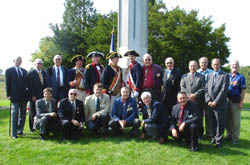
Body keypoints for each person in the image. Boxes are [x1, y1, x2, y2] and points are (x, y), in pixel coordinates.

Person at [205, 58, 229, 148]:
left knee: (220, 123)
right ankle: (214, 138)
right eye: (214, 64)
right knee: (213, 122)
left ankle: (219, 141)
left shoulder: (225, 75)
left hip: (220, 104)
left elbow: (223, 91)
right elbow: (206, 89)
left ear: (220, 65)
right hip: (210, 104)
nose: (215, 66)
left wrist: (216, 101)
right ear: (211, 65)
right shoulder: (209, 75)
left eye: (217, 64)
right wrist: (208, 101)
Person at [5, 56, 29, 139]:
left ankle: (20, 131)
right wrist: (8, 94)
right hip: (14, 96)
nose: (19, 61)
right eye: (17, 60)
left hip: (24, 97)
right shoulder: (9, 70)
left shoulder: (24, 71)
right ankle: (14, 133)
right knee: (15, 114)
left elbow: (26, 84)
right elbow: (7, 83)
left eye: (20, 60)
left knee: (23, 114)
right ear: (14, 61)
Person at [180, 60, 205, 137]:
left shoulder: (201, 76)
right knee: (187, 117)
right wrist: (188, 96)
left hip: (198, 101)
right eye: (191, 66)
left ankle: (199, 135)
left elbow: (203, 88)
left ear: (197, 67)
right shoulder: (184, 76)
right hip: (187, 101)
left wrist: (195, 95)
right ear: (188, 67)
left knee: (199, 118)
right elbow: (182, 87)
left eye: (194, 66)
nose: (192, 67)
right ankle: (187, 133)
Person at [226, 60, 246, 144]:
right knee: (227, 119)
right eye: (233, 65)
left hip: (236, 101)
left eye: (236, 65)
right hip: (226, 100)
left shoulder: (241, 77)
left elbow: (243, 91)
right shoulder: (227, 76)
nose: (234, 66)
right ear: (230, 66)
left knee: (235, 121)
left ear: (238, 66)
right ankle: (229, 135)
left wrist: (241, 102)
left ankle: (235, 138)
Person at [27, 59, 48, 132]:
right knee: (32, 112)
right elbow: (29, 86)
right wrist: (32, 95)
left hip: (43, 96)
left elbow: (45, 85)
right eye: (38, 63)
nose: (40, 65)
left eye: (41, 63)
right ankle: (32, 128)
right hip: (34, 96)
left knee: (41, 111)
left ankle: (40, 126)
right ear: (35, 64)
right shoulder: (30, 73)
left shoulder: (44, 73)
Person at [197, 57, 213, 138]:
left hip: (209, 98)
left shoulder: (212, 72)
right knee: (199, 116)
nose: (203, 64)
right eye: (202, 62)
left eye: (205, 62)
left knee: (209, 116)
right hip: (199, 98)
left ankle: (209, 134)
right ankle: (199, 134)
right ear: (199, 63)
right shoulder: (196, 72)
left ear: (208, 63)